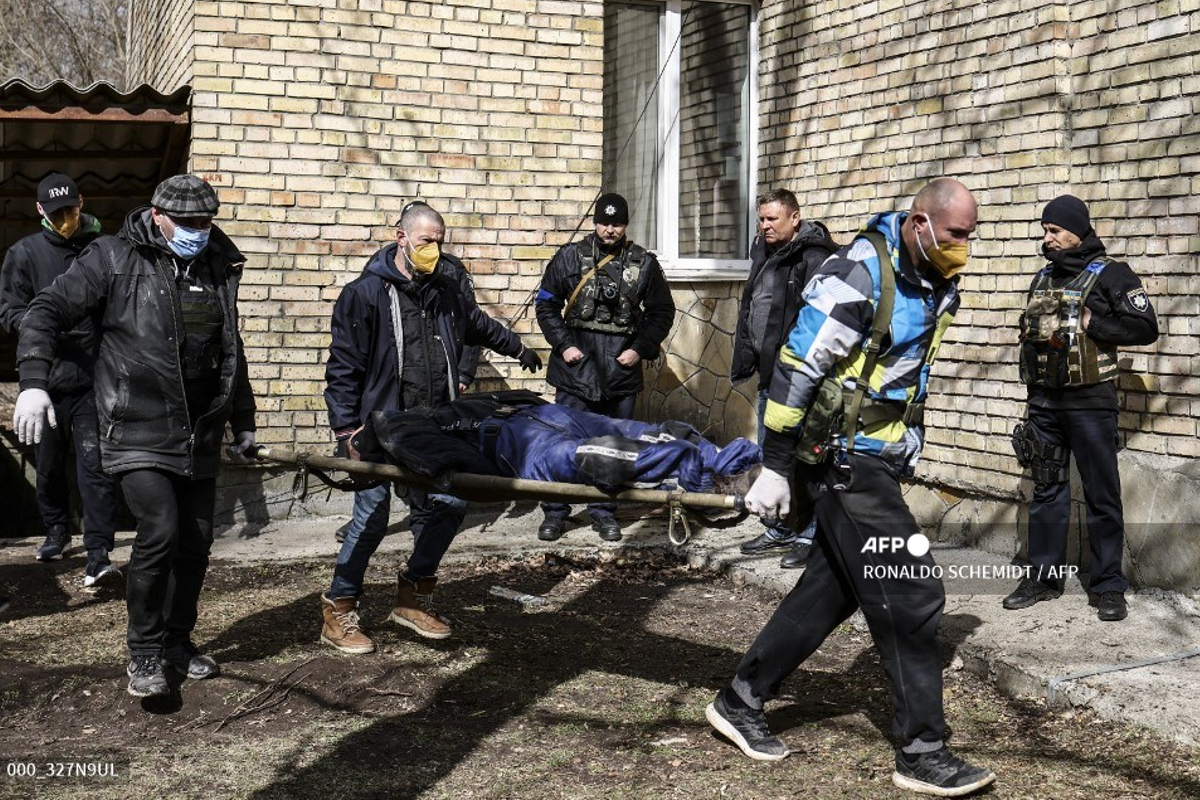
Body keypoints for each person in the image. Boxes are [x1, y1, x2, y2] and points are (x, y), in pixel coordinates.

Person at [705, 179, 995, 797]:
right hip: (840, 458)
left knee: (831, 588)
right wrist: (777, 466)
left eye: (970, 236)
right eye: (956, 235)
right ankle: (921, 751)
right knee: (912, 592)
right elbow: (796, 365)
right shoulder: (861, 273)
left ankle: (740, 700)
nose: (964, 248)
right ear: (920, 223)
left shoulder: (935, 278)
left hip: (877, 457)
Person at [13, 174, 258, 698]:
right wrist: (34, 383)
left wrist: (245, 422)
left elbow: (230, 352)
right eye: (188, 222)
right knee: (162, 530)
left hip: (199, 432)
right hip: (136, 424)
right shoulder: (113, 257)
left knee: (196, 543)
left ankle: (176, 641)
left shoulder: (217, 263)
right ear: (157, 214)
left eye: (206, 221)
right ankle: (144, 652)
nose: (198, 230)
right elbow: (44, 311)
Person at [320, 201, 542, 655]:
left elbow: (476, 325)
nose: (434, 250)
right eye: (426, 241)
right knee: (371, 518)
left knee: (447, 503)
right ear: (401, 237)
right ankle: (338, 611)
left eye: (440, 242)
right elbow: (343, 369)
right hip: (376, 430)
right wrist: (346, 433)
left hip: (430, 427)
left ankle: (412, 596)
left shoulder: (444, 292)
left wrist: (518, 348)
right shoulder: (364, 294)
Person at [1003, 195, 1159, 622]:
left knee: (1101, 496)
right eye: (1045, 230)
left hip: (1091, 403)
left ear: (1077, 230)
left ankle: (1109, 585)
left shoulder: (1112, 274)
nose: (1046, 237)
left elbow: (1147, 328)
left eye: (1054, 230)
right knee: (1048, 490)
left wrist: (1096, 324)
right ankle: (1042, 577)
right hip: (1044, 404)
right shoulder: (1042, 277)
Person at [533, 192, 675, 542]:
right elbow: (546, 305)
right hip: (576, 365)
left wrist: (639, 350)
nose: (610, 229)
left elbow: (661, 312)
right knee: (562, 443)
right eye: (604, 222)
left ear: (625, 225)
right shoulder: (569, 257)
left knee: (614, 445)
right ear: (595, 222)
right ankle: (556, 511)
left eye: (617, 223)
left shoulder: (643, 263)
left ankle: (603, 511)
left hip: (620, 367)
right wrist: (564, 345)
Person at [0, 173, 119, 584]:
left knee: (95, 464)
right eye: (56, 213)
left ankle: (99, 548)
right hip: (46, 379)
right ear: (40, 212)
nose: (65, 218)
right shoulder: (24, 254)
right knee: (48, 465)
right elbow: (9, 309)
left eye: (70, 210)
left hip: (92, 376)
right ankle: (56, 531)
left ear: (81, 203)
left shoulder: (102, 249)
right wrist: (42, 327)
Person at [730, 189, 838, 569]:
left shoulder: (816, 257)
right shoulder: (764, 250)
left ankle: (810, 534)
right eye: (761, 219)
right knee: (771, 451)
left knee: (805, 458)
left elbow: (821, 321)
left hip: (799, 377)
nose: (765, 226)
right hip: (768, 372)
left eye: (772, 219)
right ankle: (780, 526)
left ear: (795, 218)